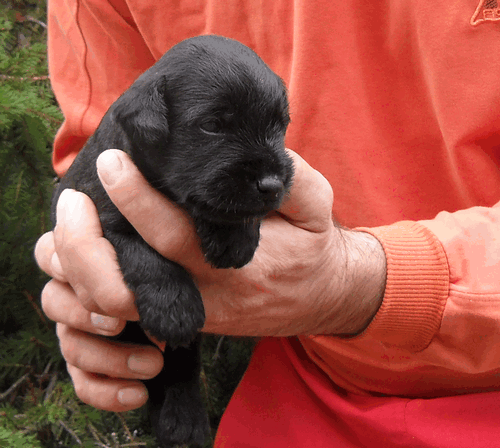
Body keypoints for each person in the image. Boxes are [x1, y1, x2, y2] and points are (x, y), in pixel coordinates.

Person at [35, 1, 500, 446]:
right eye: (216, 126)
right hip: (293, 397)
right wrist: (84, 261)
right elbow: (105, 147)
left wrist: (367, 281)